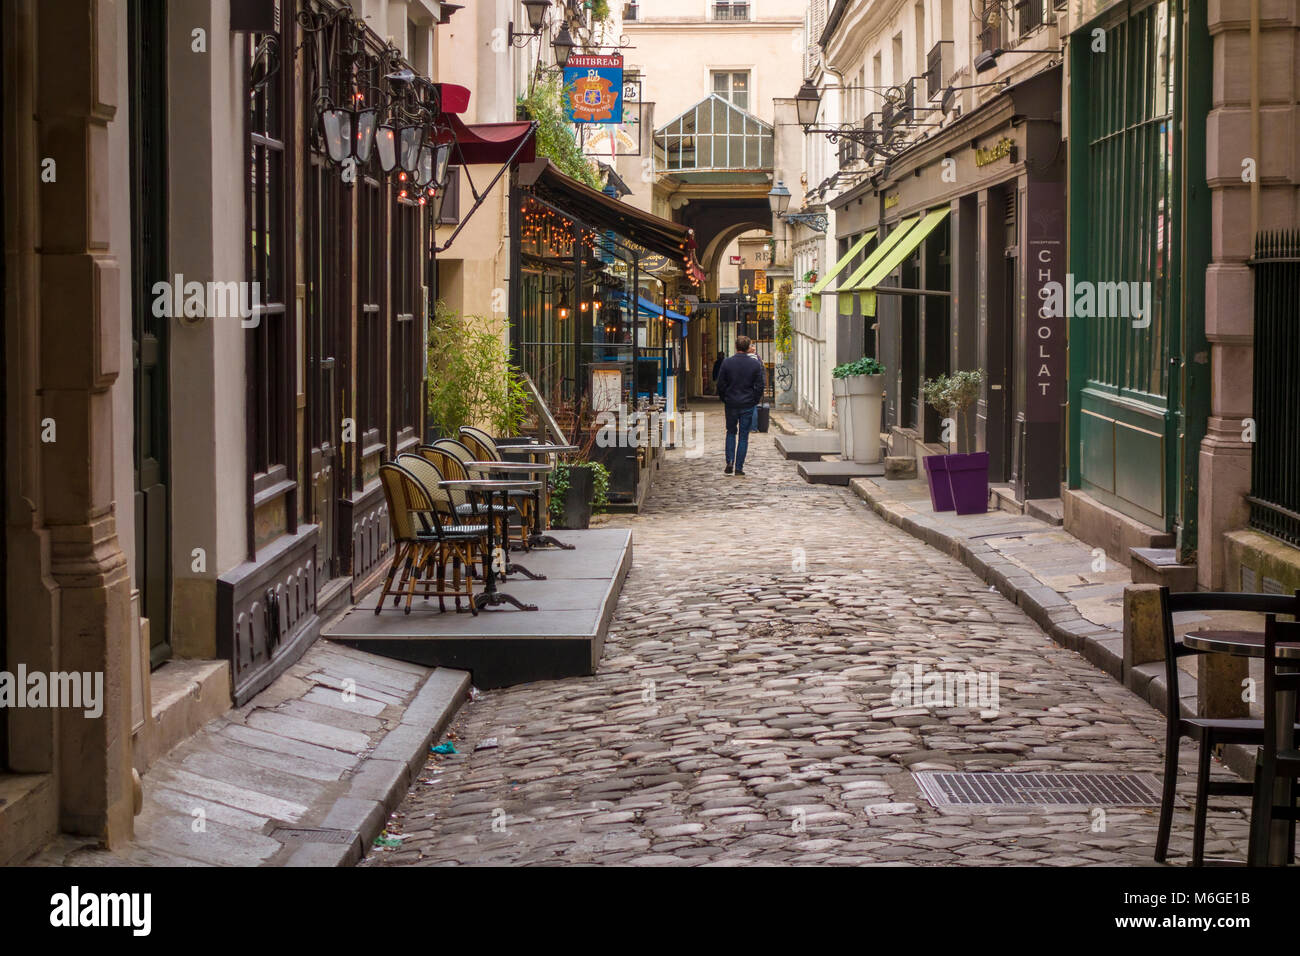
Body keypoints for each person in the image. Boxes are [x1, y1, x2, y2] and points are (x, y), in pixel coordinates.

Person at [714, 335, 766, 476]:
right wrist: (754, 399)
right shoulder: (754, 364)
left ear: (736, 347)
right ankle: (739, 467)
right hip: (747, 403)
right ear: (748, 347)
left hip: (731, 402)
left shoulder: (727, 363)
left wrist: (725, 398)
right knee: (743, 436)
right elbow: (760, 385)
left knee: (731, 432)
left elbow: (720, 384)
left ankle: (729, 461)